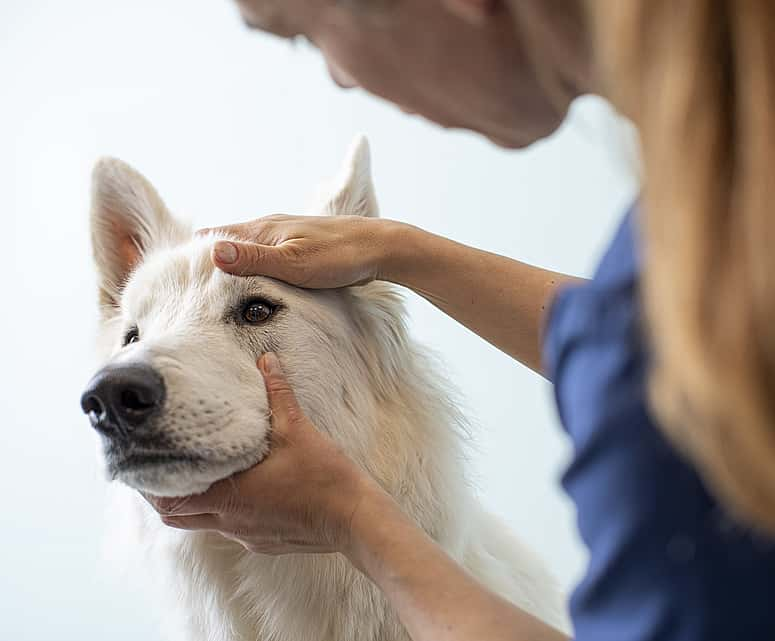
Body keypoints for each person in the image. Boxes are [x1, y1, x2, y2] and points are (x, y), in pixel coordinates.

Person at [144, 2, 775, 639]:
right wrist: (401, 250)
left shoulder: (643, 361)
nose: (339, 77)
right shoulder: (730, 216)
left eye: (305, 37)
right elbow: (676, 339)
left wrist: (354, 519)